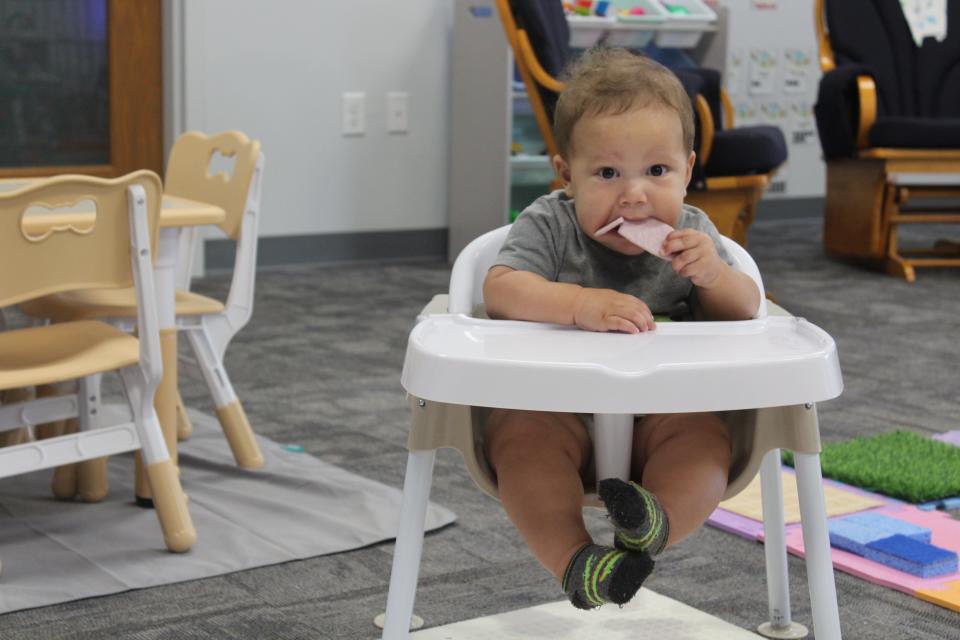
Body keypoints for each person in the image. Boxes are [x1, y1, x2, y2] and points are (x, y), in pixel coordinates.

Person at [481, 47, 761, 610]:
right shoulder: (550, 223)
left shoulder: (694, 232)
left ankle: (653, 526)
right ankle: (577, 561)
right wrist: (579, 304)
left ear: (687, 168)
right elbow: (500, 289)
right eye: (607, 173)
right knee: (518, 443)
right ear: (566, 175)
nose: (634, 195)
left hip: (664, 411)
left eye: (657, 172)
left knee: (709, 444)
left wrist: (712, 275)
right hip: (559, 409)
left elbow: (748, 310)